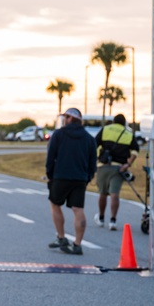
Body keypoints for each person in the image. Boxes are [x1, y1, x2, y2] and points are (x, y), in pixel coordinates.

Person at [45, 107, 97, 255]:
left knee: (55, 204)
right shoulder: (89, 138)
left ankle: (61, 237)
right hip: (80, 178)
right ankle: (77, 244)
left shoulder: (58, 134)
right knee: (78, 209)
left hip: (60, 176)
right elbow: (93, 161)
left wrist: (50, 174)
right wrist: (88, 177)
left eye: (66, 117)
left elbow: (50, 156)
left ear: (69, 119)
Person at [94, 113, 138, 231]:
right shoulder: (128, 133)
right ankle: (113, 220)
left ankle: (101, 218)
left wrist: (96, 159)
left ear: (113, 121)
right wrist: (128, 164)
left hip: (103, 166)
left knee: (103, 193)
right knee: (114, 194)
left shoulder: (105, 129)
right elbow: (135, 151)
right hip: (119, 168)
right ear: (124, 123)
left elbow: (94, 144)